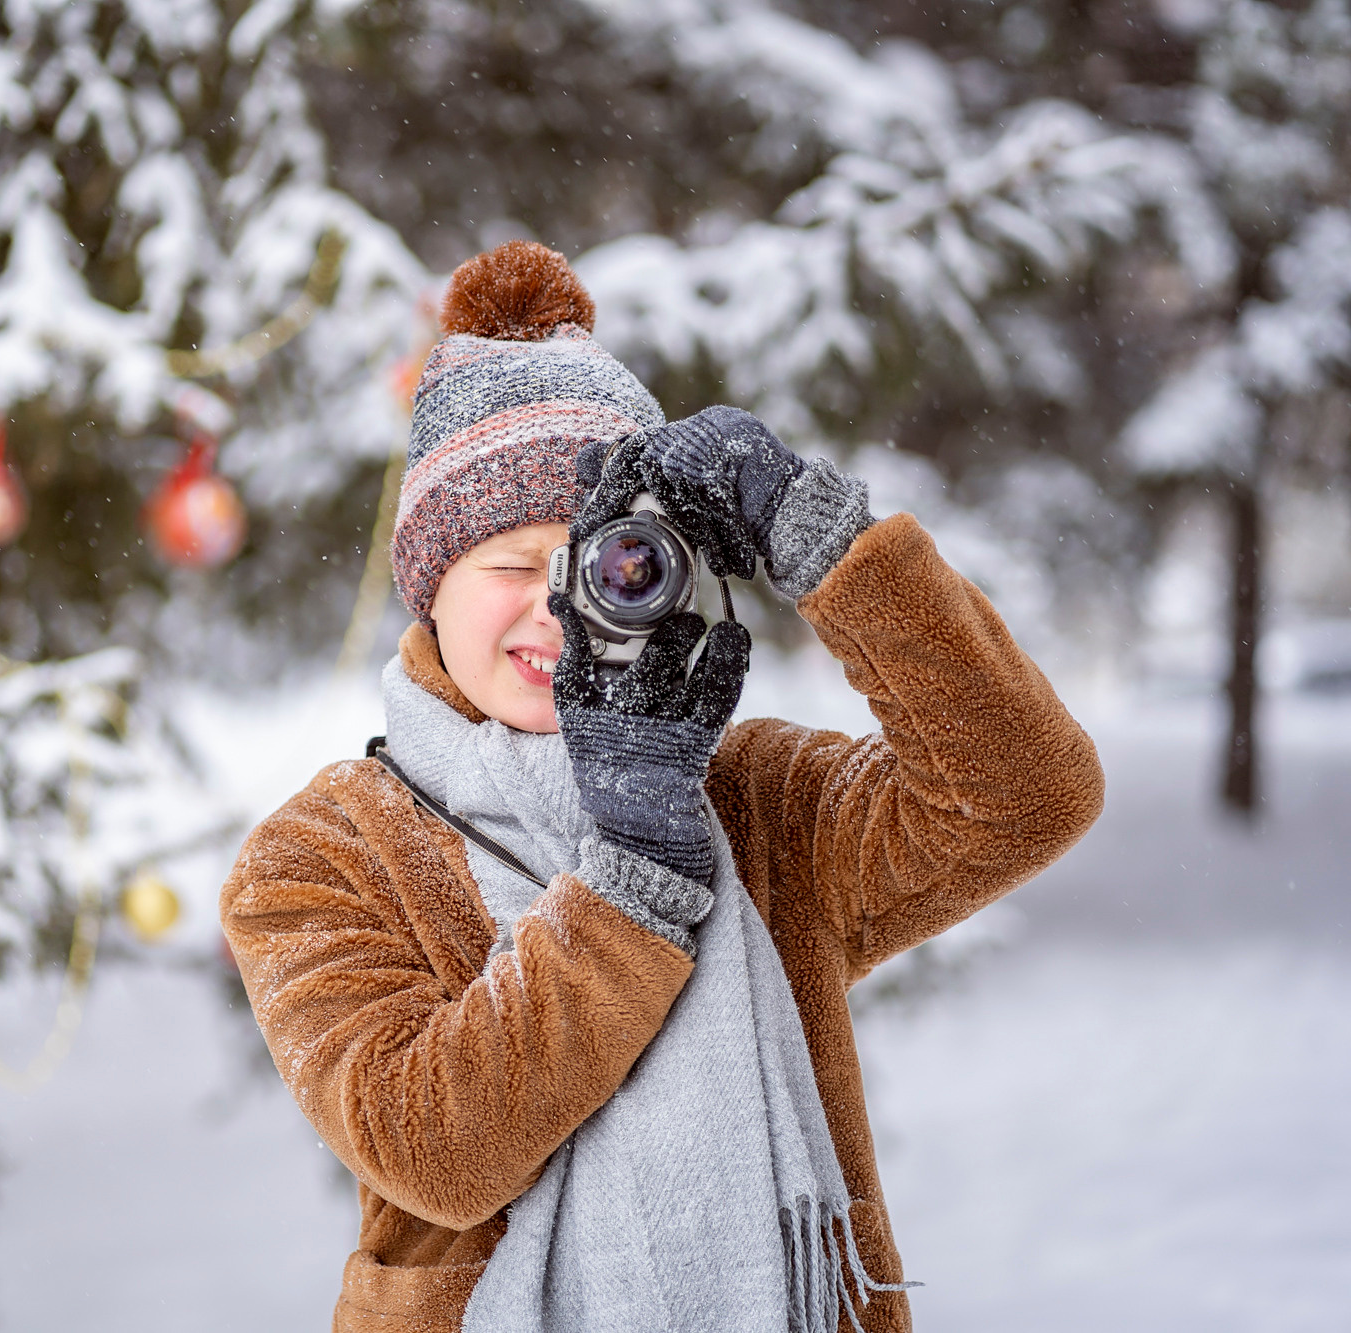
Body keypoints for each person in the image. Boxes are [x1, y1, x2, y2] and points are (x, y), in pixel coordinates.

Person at [220, 241, 1104, 1333]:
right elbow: (435, 1149)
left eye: (606, 563)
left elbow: (1024, 793)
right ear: (427, 587)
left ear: (672, 580)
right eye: (505, 565)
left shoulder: (753, 800)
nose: (554, 609)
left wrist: (824, 541)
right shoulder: (317, 857)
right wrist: (632, 877)